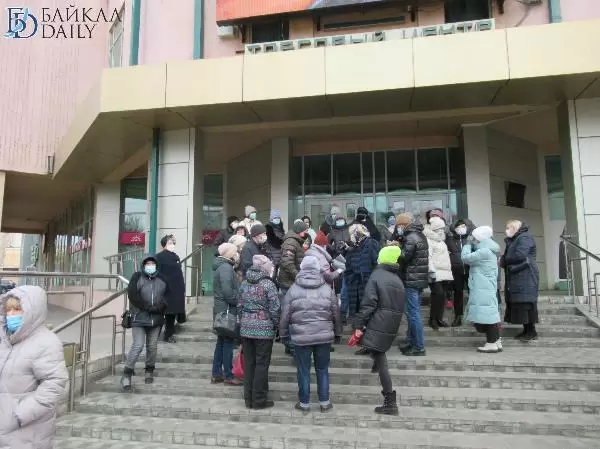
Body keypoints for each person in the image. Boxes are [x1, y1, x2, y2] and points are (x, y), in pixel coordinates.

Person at [0, 286, 69, 449]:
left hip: (27, 432)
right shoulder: (4, 339)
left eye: (17, 310)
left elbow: (55, 384)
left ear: (32, 311)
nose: (11, 315)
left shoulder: (46, 343)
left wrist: (19, 415)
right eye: (8, 310)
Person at [279, 256, 342, 413]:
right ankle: (325, 403)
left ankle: (304, 404)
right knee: (322, 369)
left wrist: (283, 334)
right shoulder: (327, 289)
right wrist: (338, 332)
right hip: (324, 336)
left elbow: (285, 315)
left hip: (301, 337)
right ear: (317, 268)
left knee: (303, 370)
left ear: (301, 268)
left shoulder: (293, 290)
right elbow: (336, 313)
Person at [352, 246, 405, 415]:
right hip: (390, 324)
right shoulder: (397, 279)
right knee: (378, 353)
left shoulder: (376, 276)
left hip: (379, 322)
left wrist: (358, 325)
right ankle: (375, 362)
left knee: (381, 358)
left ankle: (390, 402)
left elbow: (368, 304)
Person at [238, 255, 281, 409]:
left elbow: (239, 306)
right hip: (264, 330)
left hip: (246, 329)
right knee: (262, 364)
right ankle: (259, 400)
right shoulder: (268, 285)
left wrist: (243, 322)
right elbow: (275, 308)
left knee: (249, 364)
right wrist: (276, 325)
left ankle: (248, 398)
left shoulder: (244, 283)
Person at [122, 256, 169, 390]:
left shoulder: (162, 279)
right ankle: (127, 374)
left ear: (156, 265)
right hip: (139, 318)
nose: (150, 266)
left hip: (156, 319)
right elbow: (132, 294)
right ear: (143, 265)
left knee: (152, 346)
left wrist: (160, 307)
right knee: (138, 345)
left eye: (152, 263)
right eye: (148, 264)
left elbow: (168, 295)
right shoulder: (137, 277)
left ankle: (149, 370)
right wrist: (146, 307)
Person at [461, 226, 503, 353]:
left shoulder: (484, 251)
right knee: (490, 313)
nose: (473, 240)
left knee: (487, 315)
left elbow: (465, 258)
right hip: (485, 287)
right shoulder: (489, 250)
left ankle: (491, 343)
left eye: (474, 238)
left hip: (483, 287)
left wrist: (467, 245)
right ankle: (496, 341)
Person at [395, 213, 429, 357]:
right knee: (413, 313)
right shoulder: (420, 235)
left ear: (404, 224)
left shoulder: (410, 237)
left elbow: (404, 257)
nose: (398, 228)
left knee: (413, 314)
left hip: (411, 280)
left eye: (399, 225)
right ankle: (410, 341)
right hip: (419, 279)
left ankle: (419, 346)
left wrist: (396, 249)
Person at [501, 220, 540, 341]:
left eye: (509, 228)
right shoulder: (516, 239)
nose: (507, 230)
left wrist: (504, 260)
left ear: (515, 228)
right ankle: (526, 330)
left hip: (526, 275)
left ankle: (531, 332)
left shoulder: (524, 237)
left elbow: (520, 255)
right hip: (520, 275)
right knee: (522, 303)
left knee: (526, 303)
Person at [344, 224, 380, 355]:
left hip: (367, 285)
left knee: (368, 314)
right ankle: (365, 343)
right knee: (361, 315)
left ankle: (370, 344)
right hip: (356, 287)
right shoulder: (355, 247)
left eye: (352, 234)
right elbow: (349, 266)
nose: (350, 237)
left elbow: (376, 263)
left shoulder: (371, 244)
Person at [211, 243, 242, 385]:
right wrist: (237, 300)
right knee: (228, 342)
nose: (237, 254)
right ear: (229, 253)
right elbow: (227, 290)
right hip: (227, 310)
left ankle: (216, 374)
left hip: (222, 309)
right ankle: (228, 375)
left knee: (221, 342)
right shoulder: (226, 268)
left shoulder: (223, 266)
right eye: (235, 251)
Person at [155, 234, 186, 343]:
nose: (172, 244)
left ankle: (168, 335)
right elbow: (157, 272)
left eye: (173, 243)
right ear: (164, 244)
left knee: (171, 314)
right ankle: (155, 334)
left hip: (176, 289)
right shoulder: (159, 257)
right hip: (164, 289)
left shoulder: (175, 256)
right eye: (170, 243)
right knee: (160, 312)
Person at [423, 217, 453, 329]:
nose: (442, 230)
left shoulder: (441, 241)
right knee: (437, 294)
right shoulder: (429, 240)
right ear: (435, 228)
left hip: (444, 272)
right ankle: (432, 319)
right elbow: (428, 257)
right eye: (440, 228)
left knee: (442, 296)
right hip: (435, 272)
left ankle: (439, 318)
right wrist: (431, 271)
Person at [446, 218, 476, 327]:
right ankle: (458, 316)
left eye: (463, 226)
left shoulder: (472, 239)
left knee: (473, 292)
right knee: (457, 293)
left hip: (470, 270)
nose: (460, 228)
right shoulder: (449, 239)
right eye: (458, 227)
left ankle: (475, 316)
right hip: (456, 271)